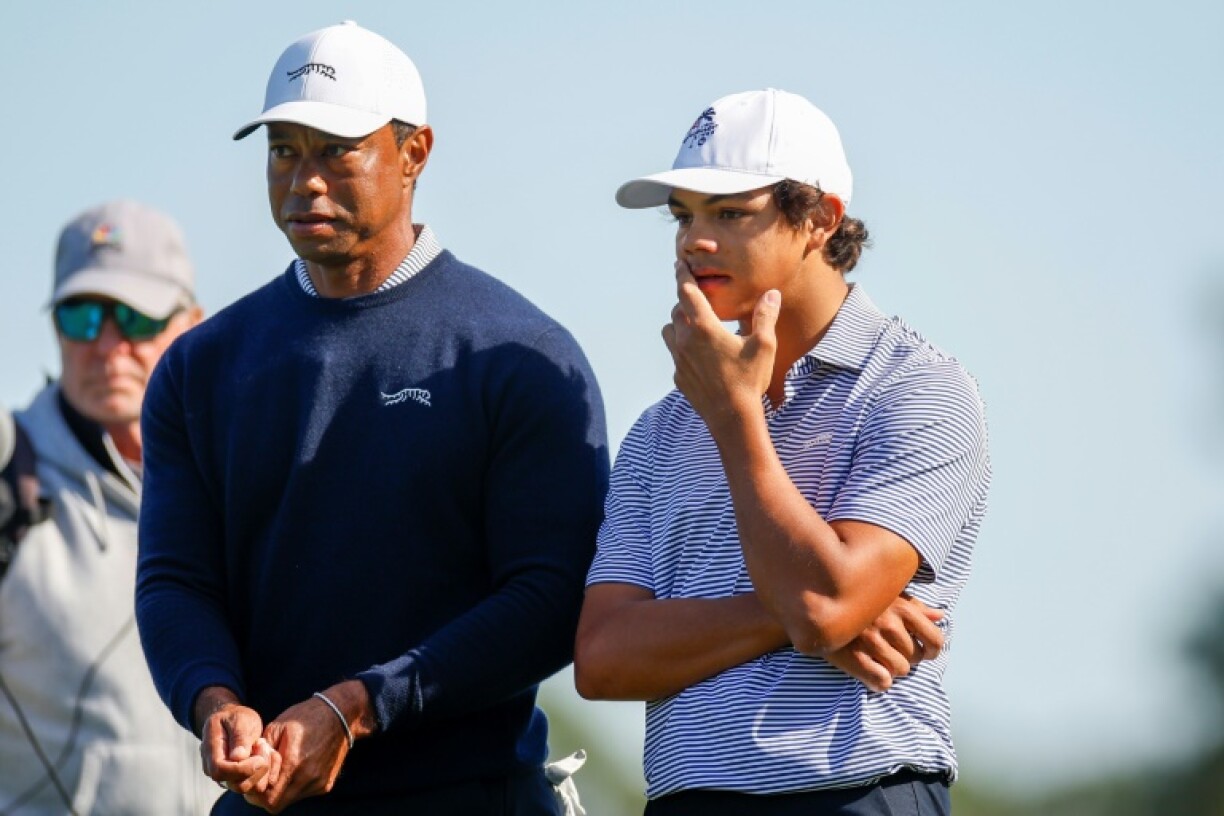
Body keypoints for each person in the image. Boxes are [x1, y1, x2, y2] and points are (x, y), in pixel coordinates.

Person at [134, 21, 608, 815]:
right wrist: (213, 702)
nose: (304, 180)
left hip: (471, 796)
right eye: (284, 149)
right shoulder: (200, 364)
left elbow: (552, 598)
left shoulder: (518, 352)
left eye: (336, 150)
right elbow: (176, 581)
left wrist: (356, 708)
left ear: (415, 152)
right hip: (266, 800)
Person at [575, 89, 991, 814]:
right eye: (683, 215)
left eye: (730, 213)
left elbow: (826, 607)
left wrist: (737, 419)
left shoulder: (921, 389)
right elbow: (605, 657)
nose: (692, 240)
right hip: (687, 799)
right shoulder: (660, 428)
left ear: (820, 220)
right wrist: (797, 614)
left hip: (857, 792)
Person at [0, 199, 216, 814]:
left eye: (136, 317)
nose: (109, 346)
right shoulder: (7, 480)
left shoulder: (245, 485)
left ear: (193, 327)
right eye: (82, 317)